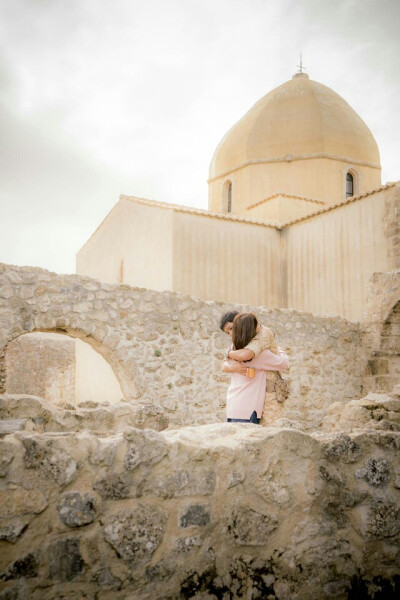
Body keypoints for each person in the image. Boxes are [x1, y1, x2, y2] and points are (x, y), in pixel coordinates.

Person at [222, 313, 289, 424]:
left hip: (233, 407)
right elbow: (284, 363)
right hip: (248, 410)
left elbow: (224, 365)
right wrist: (279, 350)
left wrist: (228, 354)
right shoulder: (258, 355)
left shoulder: (233, 350)